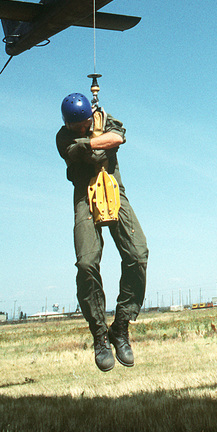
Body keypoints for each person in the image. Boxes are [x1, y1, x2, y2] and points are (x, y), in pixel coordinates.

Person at [56, 93, 148, 371]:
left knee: (138, 254)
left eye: (85, 123)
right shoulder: (63, 138)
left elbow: (117, 139)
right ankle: (99, 334)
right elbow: (85, 149)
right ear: (67, 124)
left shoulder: (106, 121)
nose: (82, 129)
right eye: (77, 127)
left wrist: (91, 139)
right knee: (86, 263)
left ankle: (120, 327)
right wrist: (97, 139)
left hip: (114, 193)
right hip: (85, 198)